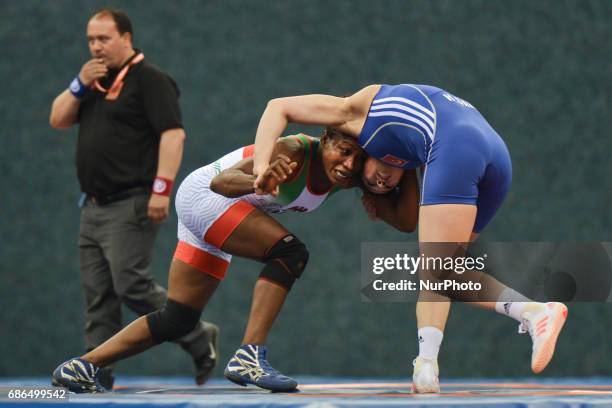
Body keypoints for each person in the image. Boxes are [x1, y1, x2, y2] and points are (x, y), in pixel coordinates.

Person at [250, 84, 568, 392]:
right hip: (496, 156)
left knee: (437, 269)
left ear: (364, 149)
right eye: (378, 187)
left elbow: (278, 106)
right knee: (446, 273)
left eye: (372, 176)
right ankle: (426, 366)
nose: (379, 180)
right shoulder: (413, 149)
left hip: (459, 145)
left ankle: (533, 312)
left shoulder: (352, 111)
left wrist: (261, 168)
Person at [51, 128, 366, 393]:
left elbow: (406, 219)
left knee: (179, 318)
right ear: (325, 140)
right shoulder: (294, 149)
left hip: (211, 206)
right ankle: (249, 356)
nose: (350, 164)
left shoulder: (351, 175)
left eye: (359, 158)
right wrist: (258, 182)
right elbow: (222, 182)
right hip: (209, 196)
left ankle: (82, 366)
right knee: (290, 252)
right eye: (344, 151)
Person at [49, 8, 218, 387]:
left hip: (132, 201)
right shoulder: (92, 82)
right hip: (92, 205)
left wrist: (161, 189)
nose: (96, 47)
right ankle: (96, 372)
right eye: (91, 39)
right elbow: (58, 119)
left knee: (131, 284)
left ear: (125, 38)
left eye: (103, 39)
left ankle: (195, 331)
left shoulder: (149, 80)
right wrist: (78, 83)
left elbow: (173, 136)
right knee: (99, 295)